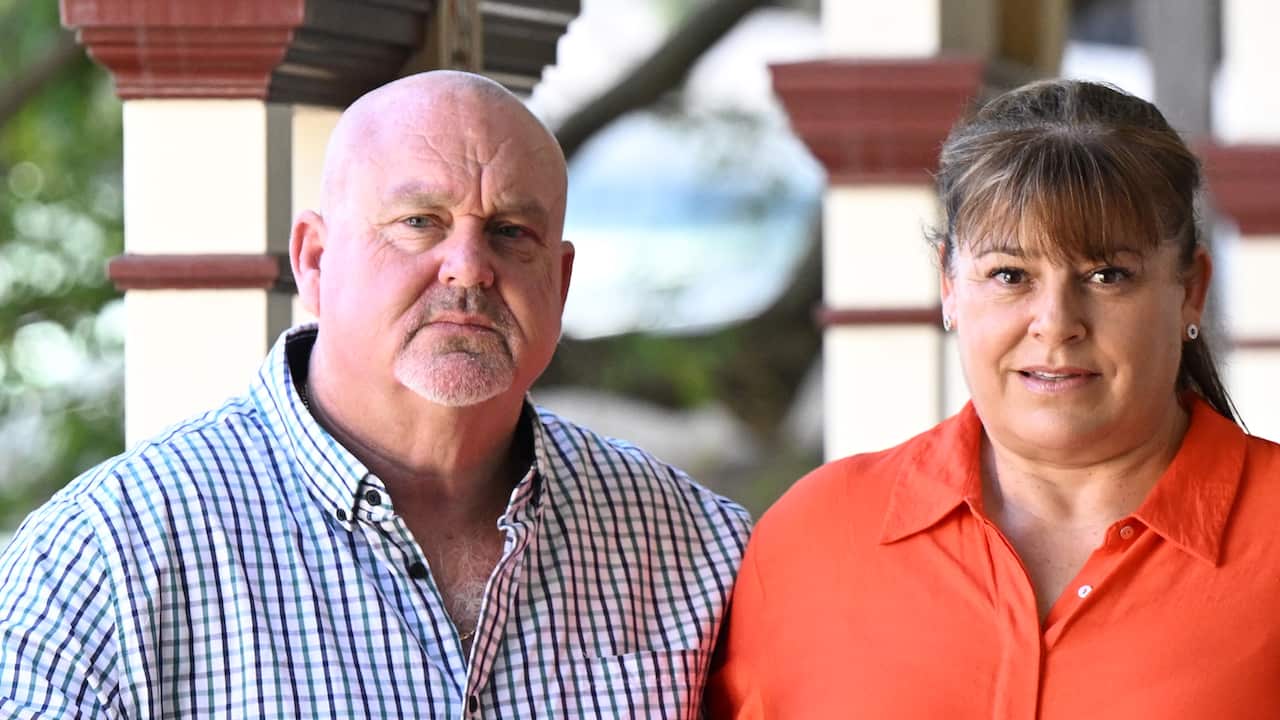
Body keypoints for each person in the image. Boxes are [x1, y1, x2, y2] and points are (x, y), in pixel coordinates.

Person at [0, 70, 750, 719]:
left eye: (511, 232)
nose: (468, 267)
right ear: (315, 260)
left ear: (560, 281)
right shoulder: (107, 564)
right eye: (420, 222)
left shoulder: (697, 550)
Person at [706, 79, 1280, 719]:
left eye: (1107, 275)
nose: (1056, 321)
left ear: (1191, 290)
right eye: (1011, 275)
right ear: (950, 284)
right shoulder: (813, 539)